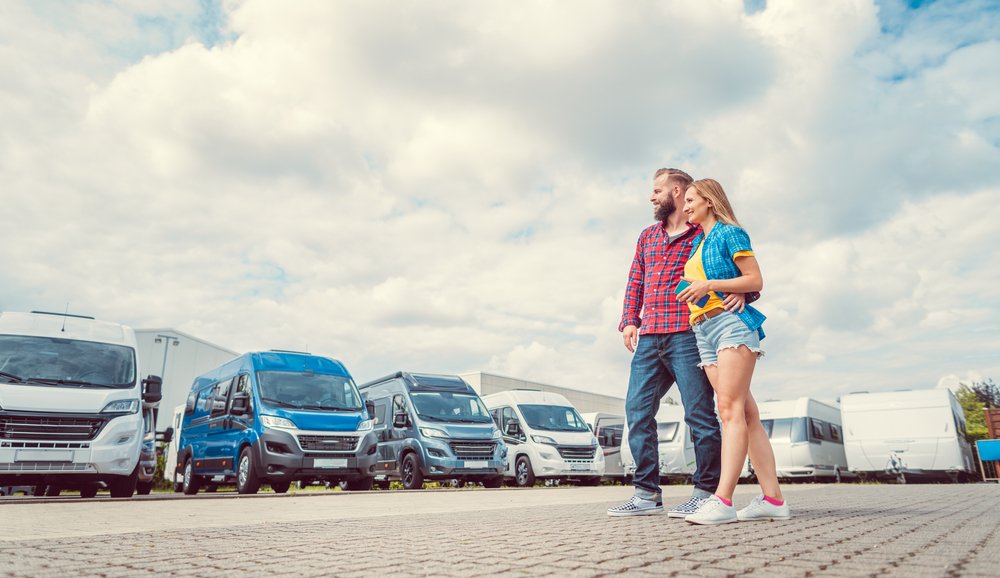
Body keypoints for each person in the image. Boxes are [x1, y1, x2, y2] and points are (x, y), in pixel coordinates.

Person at [608, 168, 745, 518]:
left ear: (678, 190)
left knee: (699, 414)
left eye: (657, 191)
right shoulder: (647, 236)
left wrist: (747, 293)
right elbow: (635, 279)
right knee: (637, 412)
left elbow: (735, 267)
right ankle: (646, 493)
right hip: (650, 335)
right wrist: (629, 320)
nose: (652, 197)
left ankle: (705, 491)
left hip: (688, 334)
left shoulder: (704, 233)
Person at [675, 178, 790, 524]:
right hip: (703, 330)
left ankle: (722, 501)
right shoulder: (699, 243)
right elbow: (730, 283)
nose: (686, 206)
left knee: (729, 410)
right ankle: (774, 500)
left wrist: (712, 285)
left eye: (691, 199)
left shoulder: (730, 233)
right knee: (746, 415)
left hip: (729, 325)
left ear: (710, 201)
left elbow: (754, 280)